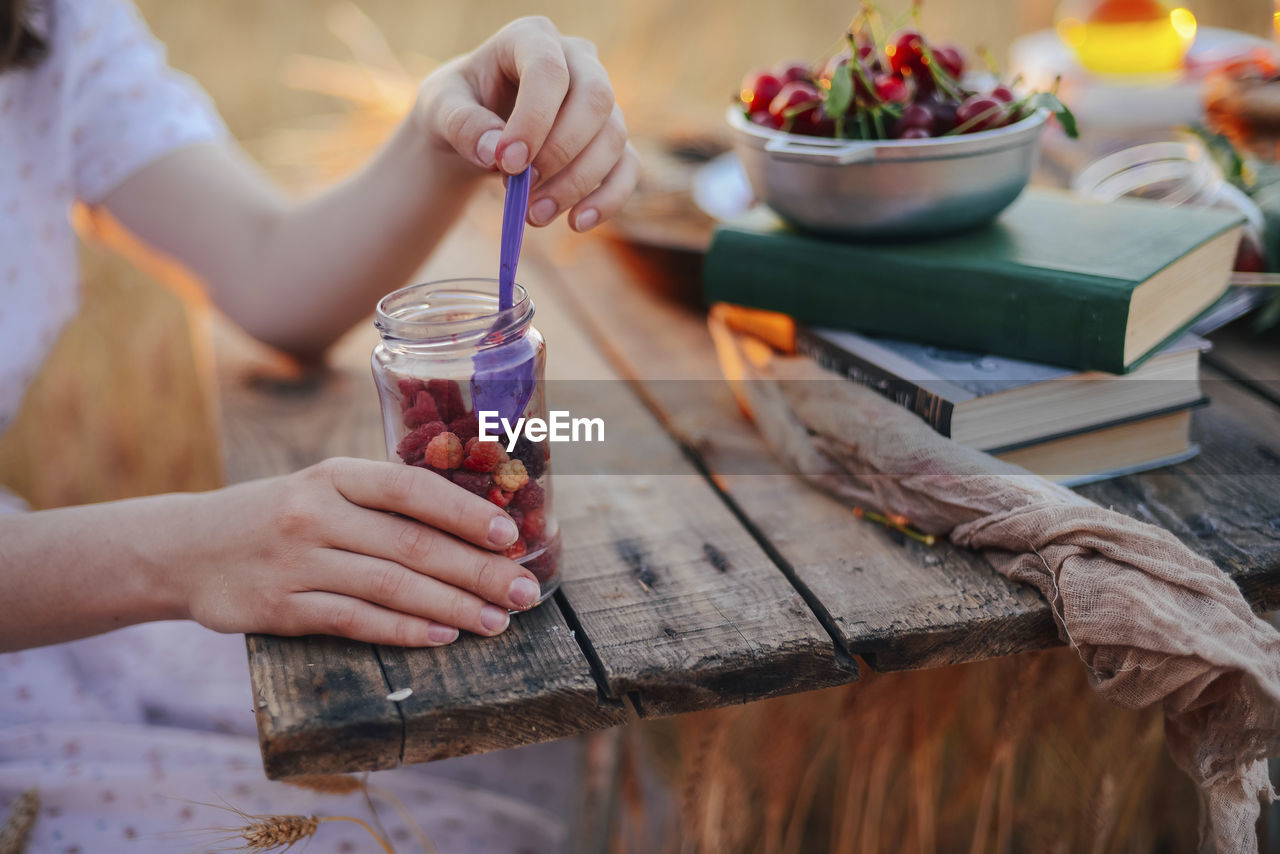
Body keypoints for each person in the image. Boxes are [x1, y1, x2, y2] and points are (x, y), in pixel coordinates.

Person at [0, 0, 637, 850]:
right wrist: (183, 551)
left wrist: (438, 137)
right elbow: (182, 554)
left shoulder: (51, 20)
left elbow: (268, 266)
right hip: (54, 594)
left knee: (539, 743)